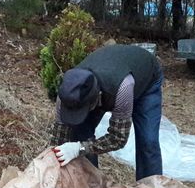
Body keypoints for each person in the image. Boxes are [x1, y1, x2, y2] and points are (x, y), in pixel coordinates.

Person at [50, 44, 163, 180]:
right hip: (112, 73)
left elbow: (118, 138)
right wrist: (52, 158)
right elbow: (59, 134)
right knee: (79, 132)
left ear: (96, 99)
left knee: (148, 141)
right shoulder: (68, 92)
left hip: (145, 80)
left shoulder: (122, 88)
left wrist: (79, 148)